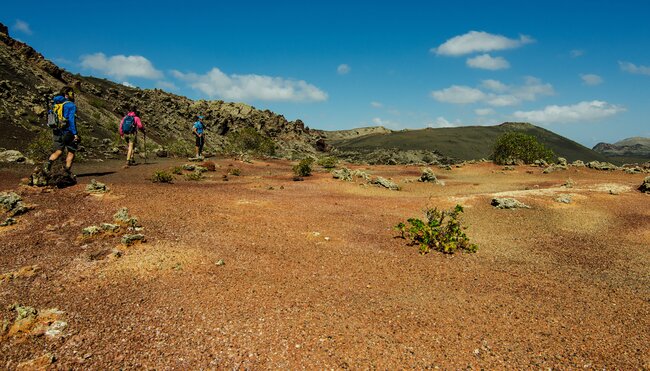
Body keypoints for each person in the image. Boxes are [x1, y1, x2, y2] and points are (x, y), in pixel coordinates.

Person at [43, 86, 78, 178]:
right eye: (72, 94)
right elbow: (71, 120)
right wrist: (75, 133)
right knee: (71, 152)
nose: (73, 95)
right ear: (67, 95)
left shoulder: (55, 104)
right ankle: (66, 172)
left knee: (58, 151)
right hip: (68, 132)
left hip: (56, 131)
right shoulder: (71, 105)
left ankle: (47, 166)